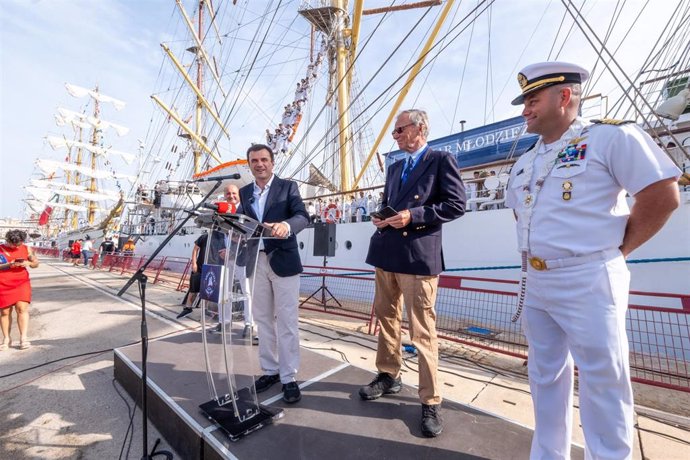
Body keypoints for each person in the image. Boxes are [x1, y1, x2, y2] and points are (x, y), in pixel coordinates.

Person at [505, 61, 681, 459]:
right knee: (544, 375)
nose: (525, 110)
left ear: (563, 96)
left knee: (604, 380)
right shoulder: (525, 160)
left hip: (590, 275)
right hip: (537, 281)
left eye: (532, 100)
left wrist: (617, 252)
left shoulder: (610, 138)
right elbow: (522, 213)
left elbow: (663, 194)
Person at [359, 109, 466, 437]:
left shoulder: (440, 160)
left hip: (419, 259)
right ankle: (389, 375)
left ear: (420, 128)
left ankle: (430, 400)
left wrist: (414, 215)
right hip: (387, 253)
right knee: (387, 320)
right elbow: (391, 203)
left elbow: (456, 204)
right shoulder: (393, 168)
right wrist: (383, 217)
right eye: (394, 132)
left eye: (400, 130)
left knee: (422, 332)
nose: (395, 136)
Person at [238, 144, 309, 404]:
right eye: (254, 160)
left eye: (264, 159)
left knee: (287, 321)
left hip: (283, 260)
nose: (259, 164)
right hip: (255, 260)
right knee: (263, 320)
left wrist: (285, 225)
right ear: (250, 164)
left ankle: (289, 377)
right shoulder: (245, 193)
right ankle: (270, 370)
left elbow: (303, 216)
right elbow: (241, 222)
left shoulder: (288, 187)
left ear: (272, 162)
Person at [0, 230, 40, 350]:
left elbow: (36, 263)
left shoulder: (27, 249)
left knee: (22, 309)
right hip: (3, 283)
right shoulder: (0, 249)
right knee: (5, 312)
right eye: (14, 244)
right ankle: (6, 338)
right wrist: (9, 265)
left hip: (21, 282)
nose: (16, 246)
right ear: (8, 240)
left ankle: (23, 338)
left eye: (19, 244)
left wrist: (28, 263)